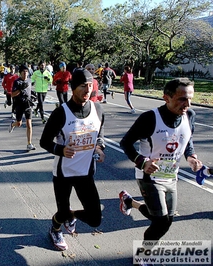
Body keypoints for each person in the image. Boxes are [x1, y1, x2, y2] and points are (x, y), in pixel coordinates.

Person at [119, 78, 204, 243]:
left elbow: (186, 139)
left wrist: (191, 157)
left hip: (171, 177)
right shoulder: (150, 118)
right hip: (149, 177)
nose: (187, 104)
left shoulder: (189, 115)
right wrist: (142, 162)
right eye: (182, 99)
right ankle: (143, 255)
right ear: (166, 98)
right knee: (161, 221)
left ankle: (129, 201)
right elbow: (126, 142)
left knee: (164, 218)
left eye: (190, 99)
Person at [40, 69, 105, 251]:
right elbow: (44, 142)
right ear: (72, 87)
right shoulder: (61, 113)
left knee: (95, 219)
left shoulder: (97, 109)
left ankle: (72, 216)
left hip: (86, 173)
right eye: (83, 86)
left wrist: (99, 147)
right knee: (62, 212)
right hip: (64, 173)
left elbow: (99, 135)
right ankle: (55, 229)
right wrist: (61, 149)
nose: (87, 90)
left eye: (90, 85)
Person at [8, 65, 37, 151]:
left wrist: (33, 94)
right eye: (23, 72)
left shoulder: (29, 80)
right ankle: (13, 124)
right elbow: (12, 94)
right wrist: (20, 89)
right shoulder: (17, 82)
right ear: (20, 73)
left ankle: (29, 143)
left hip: (27, 104)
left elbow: (28, 90)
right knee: (19, 124)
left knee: (29, 124)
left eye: (26, 72)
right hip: (19, 104)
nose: (25, 74)